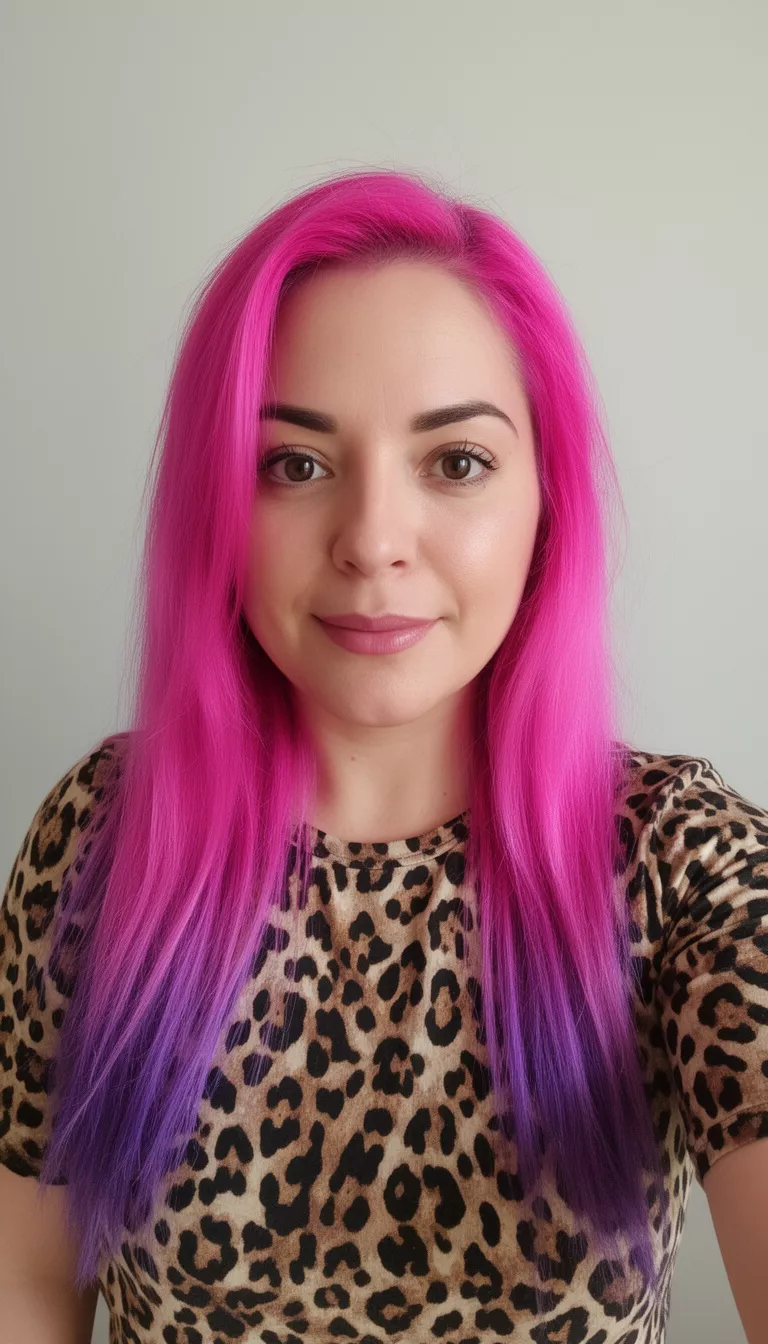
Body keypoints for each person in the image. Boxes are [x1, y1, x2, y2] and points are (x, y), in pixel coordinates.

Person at [1, 169, 767, 1344]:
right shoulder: (107, 835)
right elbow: (29, 1285)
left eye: (455, 461)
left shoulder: (681, 859)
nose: (371, 542)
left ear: (544, 502)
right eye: (294, 465)